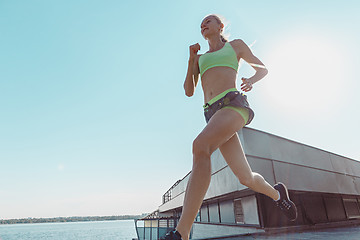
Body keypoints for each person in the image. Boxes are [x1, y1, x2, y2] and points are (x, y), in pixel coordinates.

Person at [162, 14, 297, 240]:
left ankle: (181, 234)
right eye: (201, 24)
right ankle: (278, 195)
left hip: (234, 106)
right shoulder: (200, 58)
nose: (203, 25)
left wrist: (251, 81)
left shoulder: (236, 46)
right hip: (213, 115)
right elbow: (188, 90)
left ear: (220, 26)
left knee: (200, 146)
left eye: (208, 21)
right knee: (246, 177)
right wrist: (191, 59)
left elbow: (262, 69)